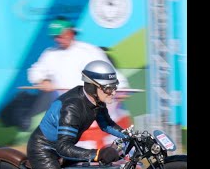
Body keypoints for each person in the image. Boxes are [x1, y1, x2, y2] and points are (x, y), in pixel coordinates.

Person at [27, 16, 132, 149]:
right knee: (73, 151)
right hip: (67, 113)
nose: (58, 39)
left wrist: (121, 88)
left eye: (61, 35)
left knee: (103, 150)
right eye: (55, 37)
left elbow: (110, 71)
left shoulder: (89, 51)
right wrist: (42, 80)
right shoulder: (50, 54)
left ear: (70, 32)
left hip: (91, 110)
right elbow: (34, 72)